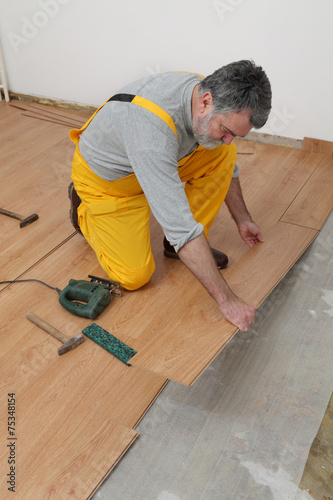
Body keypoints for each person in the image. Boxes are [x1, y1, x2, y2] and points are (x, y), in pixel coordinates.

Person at [69, 60, 272, 332]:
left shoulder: (208, 93)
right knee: (133, 276)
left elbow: (226, 161)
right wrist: (228, 301)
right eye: (226, 131)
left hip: (160, 159)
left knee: (222, 153)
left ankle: (177, 246)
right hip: (111, 184)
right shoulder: (151, 130)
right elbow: (181, 229)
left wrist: (243, 218)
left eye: (235, 134)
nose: (228, 138)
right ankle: (82, 207)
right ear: (206, 101)